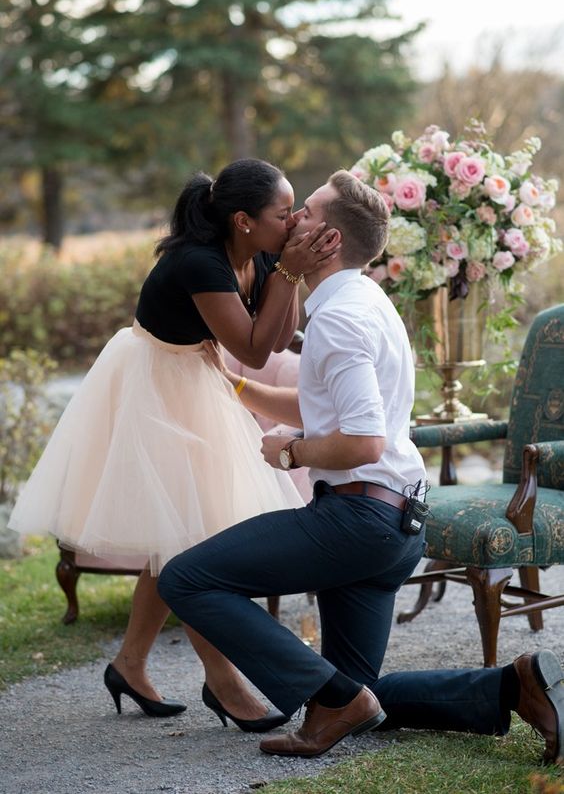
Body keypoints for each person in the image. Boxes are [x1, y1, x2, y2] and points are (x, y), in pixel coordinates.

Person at [157, 170, 564, 763]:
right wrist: (238, 387)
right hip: (395, 523)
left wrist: (289, 452)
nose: (292, 219)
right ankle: (513, 685)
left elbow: (363, 441)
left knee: (186, 578)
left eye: (306, 212)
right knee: (356, 693)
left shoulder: (340, 319)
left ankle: (334, 702)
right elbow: (324, 403)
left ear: (328, 239)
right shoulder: (365, 299)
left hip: (359, 518)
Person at [8, 158, 336, 729]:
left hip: (196, 381)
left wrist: (292, 274)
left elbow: (279, 338)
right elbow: (254, 351)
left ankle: (130, 664)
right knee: (191, 541)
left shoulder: (261, 254)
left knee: (180, 537)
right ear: (242, 220)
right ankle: (223, 680)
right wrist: (289, 272)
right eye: (284, 212)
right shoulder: (198, 263)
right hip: (153, 385)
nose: (294, 220)